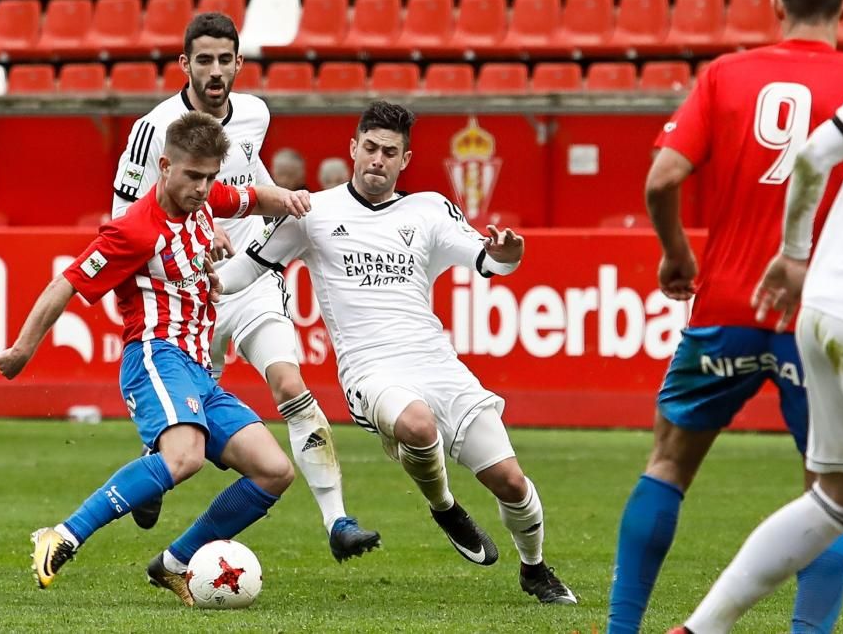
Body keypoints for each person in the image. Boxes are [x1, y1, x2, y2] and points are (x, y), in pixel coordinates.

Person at [218, 100, 578, 605]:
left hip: (435, 361)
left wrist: (508, 255)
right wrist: (195, 274)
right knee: (417, 426)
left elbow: (489, 261)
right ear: (352, 148)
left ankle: (535, 570)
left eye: (389, 152)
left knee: (511, 482)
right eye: (369, 148)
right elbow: (242, 275)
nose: (377, 160)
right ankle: (445, 505)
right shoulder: (313, 212)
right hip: (369, 367)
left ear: (404, 160)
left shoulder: (430, 209)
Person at [607, 0, 843, 632]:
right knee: (833, 491)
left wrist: (676, 253)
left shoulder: (727, 74)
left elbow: (662, 177)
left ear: (774, 3)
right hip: (819, 311)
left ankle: (621, 628)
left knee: (668, 462)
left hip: (725, 304)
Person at [673, 40, 843, 634]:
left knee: (840, 497)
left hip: (822, 297)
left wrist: (795, 256)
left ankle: (701, 628)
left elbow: (815, 153)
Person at [0, 112, 310, 603]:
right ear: (164, 166)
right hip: (155, 355)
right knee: (183, 458)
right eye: (193, 176)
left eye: (210, 177)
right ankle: (63, 534)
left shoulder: (206, 201)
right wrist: (21, 350)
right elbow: (66, 282)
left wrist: (291, 200)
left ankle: (174, 562)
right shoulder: (134, 231)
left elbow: (252, 196)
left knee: (275, 470)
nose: (204, 188)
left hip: (201, 373)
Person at [111, 12, 379, 562]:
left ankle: (337, 521)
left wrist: (279, 196)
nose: (215, 71)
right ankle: (152, 464)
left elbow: (245, 175)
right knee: (182, 431)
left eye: (224, 60)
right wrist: (184, 251)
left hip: (250, 280)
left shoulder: (255, 113)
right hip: (187, 294)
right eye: (203, 60)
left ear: (239, 63)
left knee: (289, 383)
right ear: (184, 65)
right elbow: (122, 225)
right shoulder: (152, 129)